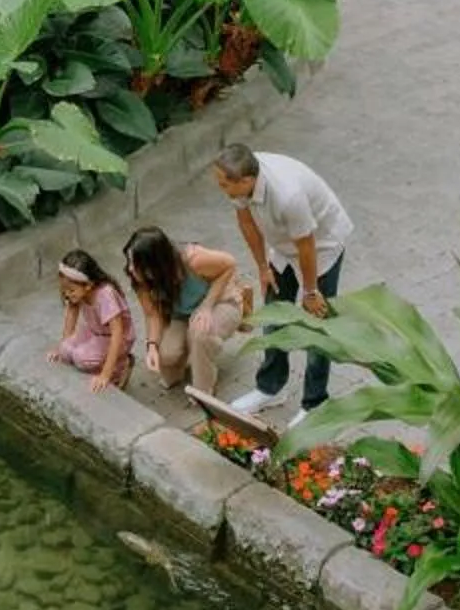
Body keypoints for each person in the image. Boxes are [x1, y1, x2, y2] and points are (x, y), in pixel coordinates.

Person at [211, 144, 353, 412]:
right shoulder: (240, 181)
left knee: (318, 325)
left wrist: (310, 292)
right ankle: (271, 387)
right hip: (284, 244)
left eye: (224, 185)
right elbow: (246, 222)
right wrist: (263, 267)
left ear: (246, 181)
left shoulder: (288, 196)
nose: (221, 190)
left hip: (321, 246)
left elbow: (307, 246)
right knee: (275, 313)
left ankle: (315, 404)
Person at [123, 226, 246, 398]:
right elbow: (152, 315)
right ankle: (187, 361)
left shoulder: (193, 259)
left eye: (134, 263)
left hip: (220, 301)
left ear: (154, 263)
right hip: (181, 314)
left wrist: (207, 306)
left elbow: (229, 265)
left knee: (199, 334)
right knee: (166, 354)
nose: (129, 268)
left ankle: (203, 392)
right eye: (129, 261)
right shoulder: (140, 279)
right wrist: (151, 346)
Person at [46, 249, 131, 394]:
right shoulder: (77, 293)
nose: (66, 294)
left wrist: (105, 374)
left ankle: (120, 367)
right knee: (66, 351)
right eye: (64, 289)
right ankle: (101, 362)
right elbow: (71, 315)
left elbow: (118, 333)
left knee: (81, 358)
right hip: (95, 331)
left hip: (116, 338)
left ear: (88, 285)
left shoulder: (105, 295)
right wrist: (61, 348)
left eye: (71, 290)